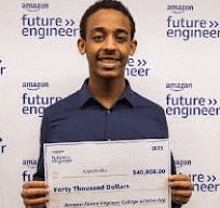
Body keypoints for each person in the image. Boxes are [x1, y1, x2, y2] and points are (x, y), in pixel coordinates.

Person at [21, 0, 193, 207]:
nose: (110, 46)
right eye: (98, 37)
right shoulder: (54, 116)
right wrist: (34, 198)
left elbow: (164, 195)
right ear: (82, 45)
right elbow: (44, 189)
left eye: (120, 38)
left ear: (132, 46)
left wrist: (178, 196)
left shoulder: (154, 115)